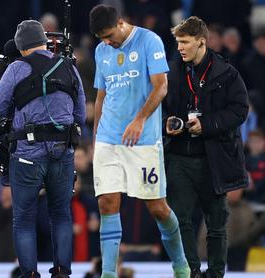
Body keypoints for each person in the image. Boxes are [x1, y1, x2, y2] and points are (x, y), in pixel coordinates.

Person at [89, 5, 190, 278]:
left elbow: (161, 86)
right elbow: (101, 96)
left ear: (121, 23)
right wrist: (96, 135)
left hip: (142, 141)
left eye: (109, 35)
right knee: (107, 204)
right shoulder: (102, 51)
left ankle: (181, 265)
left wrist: (140, 120)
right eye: (102, 38)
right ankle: (108, 273)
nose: (107, 42)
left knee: (157, 207)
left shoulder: (149, 41)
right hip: (109, 139)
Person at [0, 20, 86, 278]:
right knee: (61, 215)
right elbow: (81, 113)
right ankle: (63, 272)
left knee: (24, 220)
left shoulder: (17, 68)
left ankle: (30, 274)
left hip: (27, 155)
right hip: (62, 152)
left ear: (20, 47)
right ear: (44, 41)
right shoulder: (68, 66)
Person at [164, 16, 248, 278]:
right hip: (180, 156)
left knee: (217, 225)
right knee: (180, 221)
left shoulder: (227, 73)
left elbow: (239, 110)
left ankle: (215, 274)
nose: (180, 47)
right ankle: (191, 272)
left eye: (185, 42)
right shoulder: (172, 70)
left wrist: (206, 124)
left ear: (201, 42)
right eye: (178, 42)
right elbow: (161, 106)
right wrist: (167, 122)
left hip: (214, 158)